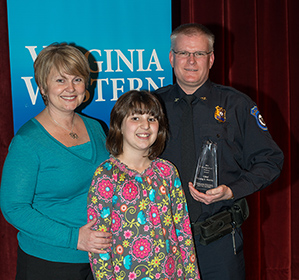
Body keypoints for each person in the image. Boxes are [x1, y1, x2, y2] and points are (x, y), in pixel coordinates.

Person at [155, 23, 284, 280]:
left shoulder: (236, 105)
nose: (191, 61)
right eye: (183, 53)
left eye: (199, 54)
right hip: (164, 238)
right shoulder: (152, 105)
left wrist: (232, 190)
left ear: (211, 59)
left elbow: (270, 160)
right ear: (171, 57)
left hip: (218, 239)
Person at [0, 43, 112, 280]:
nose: (70, 88)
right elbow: (13, 208)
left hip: (99, 257)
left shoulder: (96, 128)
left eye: (77, 79)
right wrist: (75, 238)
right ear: (42, 86)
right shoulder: (27, 142)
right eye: (60, 80)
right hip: (49, 262)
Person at [87, 90, 200, 280]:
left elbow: (183, 233)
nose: (145, 125)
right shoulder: (106, 175)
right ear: (119, 125)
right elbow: (98, 246)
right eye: (135, 118)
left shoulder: (167, 172)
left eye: (152, 118)